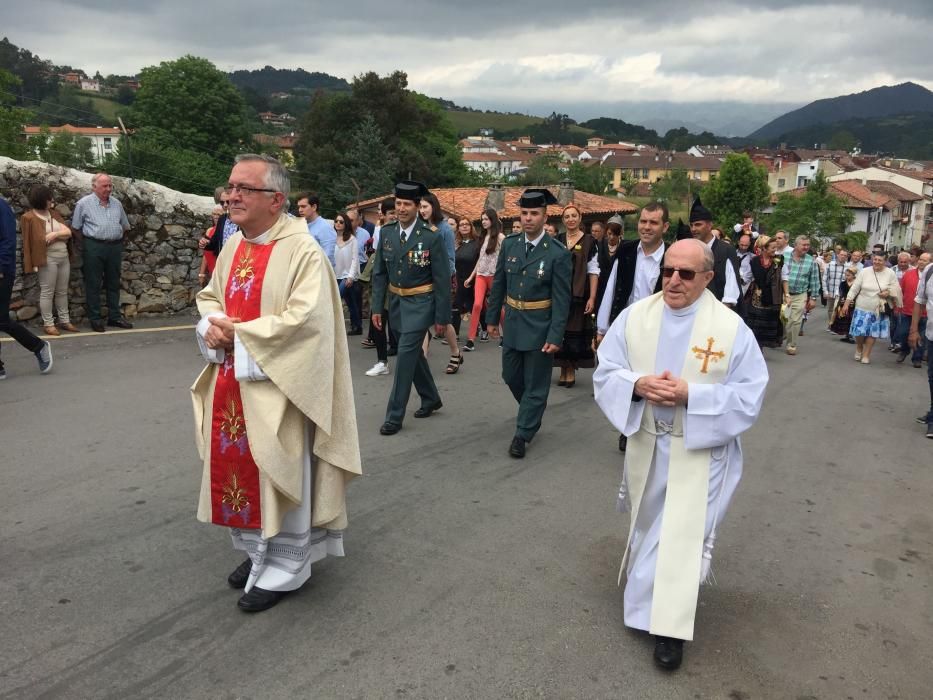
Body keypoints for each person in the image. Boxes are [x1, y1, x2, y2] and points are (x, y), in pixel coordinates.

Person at [192, 154, 361, 612]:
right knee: (241, 477)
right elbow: (211, 296)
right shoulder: (234, 245)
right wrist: (210, 324)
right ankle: (256, 552)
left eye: (245, 188)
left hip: (281, 389)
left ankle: (287, 567)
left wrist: (239, 334)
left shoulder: (302, 250)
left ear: (277, 199)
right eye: (230, 187)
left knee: (281, 473)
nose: (233, 196)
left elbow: (308, 323)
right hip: (234, 384)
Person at [593, 238, 768, 671]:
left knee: (680, 537)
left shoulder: (729, 329)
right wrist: (636, 384)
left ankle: (669, 629)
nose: (673, 280)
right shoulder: (636, 317)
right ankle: (644, 605)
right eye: (668, 270)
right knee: (650, 525)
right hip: (649, 440)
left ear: (708, 278)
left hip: (701, 449)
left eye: (686, 274)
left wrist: (692, 394)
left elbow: (749, 395)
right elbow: (606, 370)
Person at [485, 188, 572, 458]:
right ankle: (533, 408)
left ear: (545, 217)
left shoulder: (557, 253)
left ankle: (523, 433)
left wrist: (555, 335)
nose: (528, 218)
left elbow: (561, 299)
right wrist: (490, 319)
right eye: (524, 213)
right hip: (512, 322)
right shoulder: (510, 244)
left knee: (535, 383)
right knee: (510, 375)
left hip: (540, 327)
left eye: (534, 213)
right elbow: (499, 282)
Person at [370, 181, 451, 436]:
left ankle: (394, 416)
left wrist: (442, 317)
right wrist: (376, 307)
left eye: (407, 204)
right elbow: (380, 274)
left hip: (421, 304)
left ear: (418, 207)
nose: (402, 209)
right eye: (399, 204)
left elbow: (441, 280)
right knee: (414, 354)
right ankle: (430, 398)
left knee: (405, 355)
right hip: (395, 303)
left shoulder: (431, 236)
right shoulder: (387, 233)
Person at [596, 203, 668, 454]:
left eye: (653, 222)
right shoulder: (626, 251)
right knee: (630, 382)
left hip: (661, 331)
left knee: (652, 380)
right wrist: (603, 328)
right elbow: (612, 287)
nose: (646, 227)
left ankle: (653, 428)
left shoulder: (671, 257)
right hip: (627, 328)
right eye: (643, 221)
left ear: (664, 227)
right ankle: (628, 429)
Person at [71, 172, 132, 332]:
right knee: (93, 283)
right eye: (105, 186)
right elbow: (76, 227)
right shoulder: (83, 204)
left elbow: (125, 226)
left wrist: (117, 241)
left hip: (114, 246)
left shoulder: (117, 203)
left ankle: (114, 317)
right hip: (93, 245)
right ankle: (95, 319)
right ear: (94, 186)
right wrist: (86, 244)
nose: (108, 189)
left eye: (110, 185)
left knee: (113, 282)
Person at [0, 195, 53, 379]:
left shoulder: (1, 206)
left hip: (1, 272)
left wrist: (1, 267)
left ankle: (39, 346)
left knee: (1, 320)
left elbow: (8, 240)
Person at [20, 184, 77, 335]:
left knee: (62, 291)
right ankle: (48, 323)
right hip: (47, 259)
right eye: (48, 198)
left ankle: (64, 320)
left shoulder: (54, 213)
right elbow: (30, 242)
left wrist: (54, 235)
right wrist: (57, 235)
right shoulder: (28, 218)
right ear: (41, 200)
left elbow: (68, 232)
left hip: (63, 256)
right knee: (47, 291)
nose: (51, 200)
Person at [555, 203, 599, 388]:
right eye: (567, 217)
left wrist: (592, 298)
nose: (571, 219)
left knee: (574, 332)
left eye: (574, 216)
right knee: (560, 332)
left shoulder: (589, 241)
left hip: (579, 295)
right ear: (563, 220)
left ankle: (571, 369)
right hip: (559, 294)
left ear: (580, 218)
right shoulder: (557, 240)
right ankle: (562, 368)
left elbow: (593, 271)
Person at [419, 192, 463, 374]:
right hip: (424, 280)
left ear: (433, 207)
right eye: (420, 207)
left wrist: (444, 280)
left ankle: (455, 352)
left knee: (443, 320)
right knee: (422, 320)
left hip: (443, 280)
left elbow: (450, 259)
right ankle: (421, 359)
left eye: (425, 207)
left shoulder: (444, 229)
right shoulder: (420, 227)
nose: (422, 211)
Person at [841, 253, 902, 364]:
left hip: (878, 309)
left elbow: (896, 288)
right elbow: (855, 288)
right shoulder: (865, 271)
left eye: (880, 260)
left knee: (872, 333)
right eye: (875, 259)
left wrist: (888, 292)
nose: (877, 262)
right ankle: (859, 347)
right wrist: (846, 303)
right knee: (859, 332)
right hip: (862, 306)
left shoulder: (890, 273)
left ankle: (866, 354)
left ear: (885, 261)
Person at [363, 197, 397, 376]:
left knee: (400, 326)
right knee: (377, 321)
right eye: (391, 213)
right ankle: (382, 361)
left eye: (396, 213)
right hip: (381, 282)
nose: (395, 216)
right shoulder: (380, 231)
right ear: (383, 215)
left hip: (399, 286)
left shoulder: (403, 231)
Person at [688, 197, 741, 309]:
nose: (693, 229)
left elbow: (731, 287)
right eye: (691, 225)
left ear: (709, 225)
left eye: (698, 224)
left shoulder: (726, 250)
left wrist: (721, 313)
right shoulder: (689, 249)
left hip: (718, 310)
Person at [464, 208, 505, 352]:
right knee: (477, 305)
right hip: (481, 275)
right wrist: (471, 277)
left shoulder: (500, 238)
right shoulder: (482, 238)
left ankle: (505, 336)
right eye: (482, 219)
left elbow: (504, 259)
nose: (483, 222)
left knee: (497, 307)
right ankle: (470, 340)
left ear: (493, 220)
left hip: (494, 276)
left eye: (486, 219)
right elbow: (480, 260)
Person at [780, 236, 821, 356]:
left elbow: (814, 280)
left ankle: (791, 345)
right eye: (803, 245)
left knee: (796, 320)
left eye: (808, 245)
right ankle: (783, 335)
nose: (806, 247)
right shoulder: (785, 257)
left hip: (800, 294)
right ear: (796, 245)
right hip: (783, 293)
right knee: (784, 319)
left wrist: (813, 298)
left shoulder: (811, 261)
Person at [907, 258, 933, 438]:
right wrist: (914, 330)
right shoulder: (929, 270)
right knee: (932, 376)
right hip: (932, 335)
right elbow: (920, 300)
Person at [743, 235, 784, 348]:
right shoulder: (754, 261)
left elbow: (784, 278)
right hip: (756, 296)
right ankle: (756, 347)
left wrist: (786, 294)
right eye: (772, 248)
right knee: (755, 326)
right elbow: (748, 277)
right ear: (764, 248)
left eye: (775, 248)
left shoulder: (779, 260)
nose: (774, 250)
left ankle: (762, 345)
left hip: (772, 296)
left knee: (768, 325)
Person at [896, 252, 929, 367]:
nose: (921, 262)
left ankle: (917, 358)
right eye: (920, 259)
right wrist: (898, 306)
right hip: (907, 310)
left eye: (925, 260)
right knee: (903, 333)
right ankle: (904, 350)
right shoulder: (909, 274)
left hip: (925, 313)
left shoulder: (931, 276)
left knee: (921, 336)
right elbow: (901, 291)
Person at [333, 212, 362, 335]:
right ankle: (357, 326)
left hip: (347, 276)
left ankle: (333, 325)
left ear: (346, 224)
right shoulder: (331, 237)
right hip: (335, 275)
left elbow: (355, 259)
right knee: (351, 302)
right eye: (336, 221)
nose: (338, 224)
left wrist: (350, 276)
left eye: (341, 222)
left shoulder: (352, 239)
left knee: (336, 298)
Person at [453, 217, 480, 344]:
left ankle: (483, 328)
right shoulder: (457, 243)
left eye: (466, 224)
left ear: (471, 227)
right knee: (456, 305)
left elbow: (480, 262)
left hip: (474, 279)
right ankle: (455, 334)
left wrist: (472, 278)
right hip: (459, 278)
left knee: (476, 306)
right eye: (461, 225)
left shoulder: (477, 243)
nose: (464, 226)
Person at [297, 192, 337, 269]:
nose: (300, 210)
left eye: (303, 206)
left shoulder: (325, 228)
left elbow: (327, 258)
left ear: (314, 207)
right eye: (299, 207)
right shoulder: (301, 225)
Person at [198, 204, 224, 283]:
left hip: (220, 273)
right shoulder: (209, 231)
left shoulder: (225, 231)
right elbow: (206, 254)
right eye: (214, 214)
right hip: (210, 271)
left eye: (219, 214)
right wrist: (201, 273)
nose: (216, 217)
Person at [823, 249, 848, 327]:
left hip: (842, 293)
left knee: (840, 310)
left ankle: (837, 326)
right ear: (837, 255)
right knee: (830, 310)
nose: (842, 256)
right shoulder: (830, 265)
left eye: (844, 255)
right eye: (841, 254)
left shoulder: (849, 267)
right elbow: (824, 279)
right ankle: (831, 324)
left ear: (847, 257)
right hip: (831, 292)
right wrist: (825, 291)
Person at [830, 268, 857, 340]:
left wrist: (855, 301)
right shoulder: (843, 283)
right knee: (844, 318)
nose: (846, 277)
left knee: (851, 319)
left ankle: (850, 334)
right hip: (843, 303)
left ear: (854, 275)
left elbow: (858, 294)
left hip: (853, 304)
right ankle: (847, 335)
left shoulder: (857, 284)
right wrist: (842, 300)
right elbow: (841, 293)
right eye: (846, 275)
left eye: (849, 275)